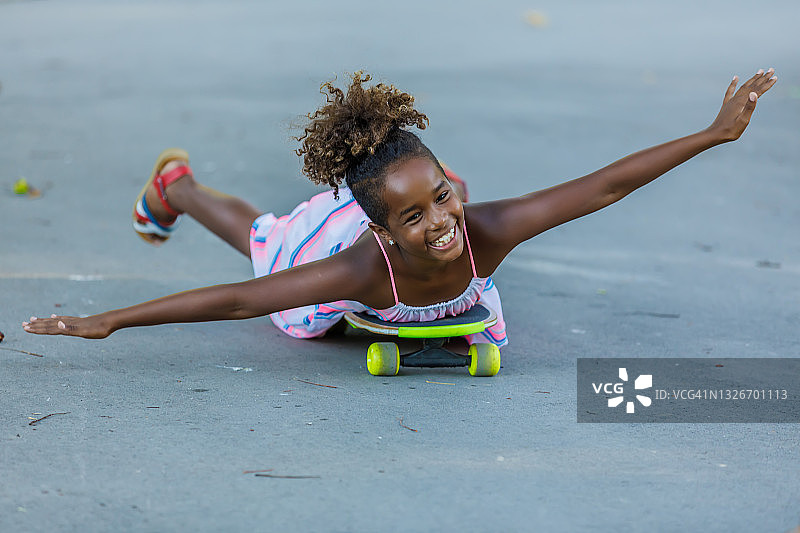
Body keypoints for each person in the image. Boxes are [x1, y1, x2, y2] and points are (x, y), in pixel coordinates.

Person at [22, 69, 777, 345]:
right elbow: (241, 299)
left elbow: (600, 187)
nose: (440, 223)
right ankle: (177, 187)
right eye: (414, 217)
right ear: (380, 229)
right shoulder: (360, 262)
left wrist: (713, 135)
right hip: (348, 271)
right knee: (268, 242)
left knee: (447, 209)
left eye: (440, 200)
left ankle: (184, 190)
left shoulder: (480, 229)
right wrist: (111, 319)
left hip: (412, 267)